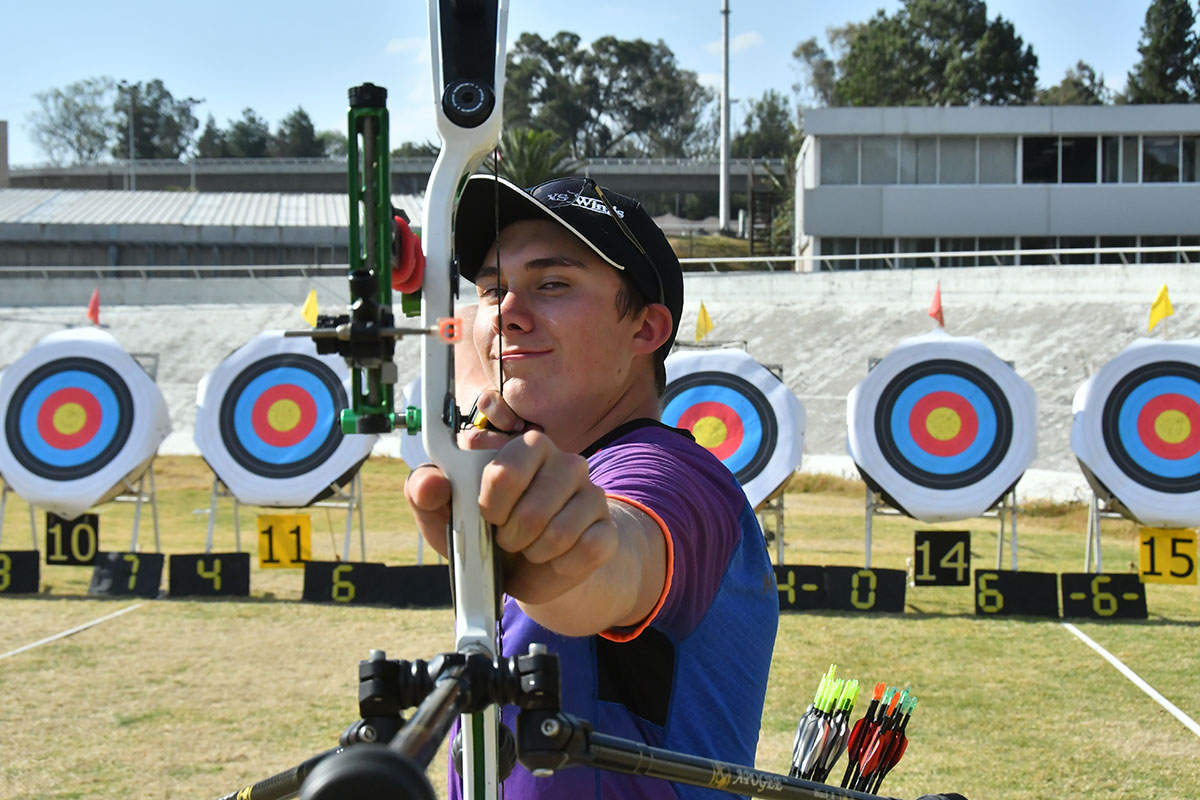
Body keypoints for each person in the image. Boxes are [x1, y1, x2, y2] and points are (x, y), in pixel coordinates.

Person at [404, 175, 779, 799]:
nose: (508, 315)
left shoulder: (676, 476)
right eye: (495, 287)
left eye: (554, 284)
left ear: (645, 329)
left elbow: (615, 553)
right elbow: (474, 336)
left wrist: (563, 553)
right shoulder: (523, 414)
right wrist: (417, 276)